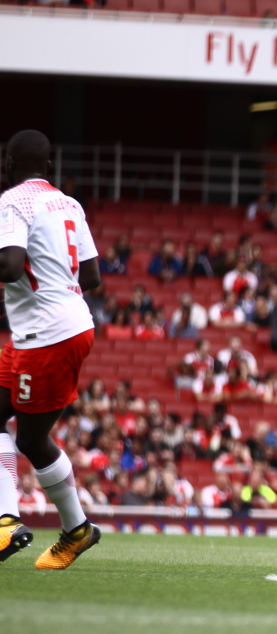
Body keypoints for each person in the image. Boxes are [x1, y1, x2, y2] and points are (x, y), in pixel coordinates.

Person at [0, 130, 103, 570]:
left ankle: (16, 523)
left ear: (8, 162)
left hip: (47, 334)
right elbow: (93, 275)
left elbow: (7, 265)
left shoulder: (12, 201)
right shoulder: (69, 203)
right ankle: (70, 529)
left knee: (31, 438)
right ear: (48, 165)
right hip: (60, 326)